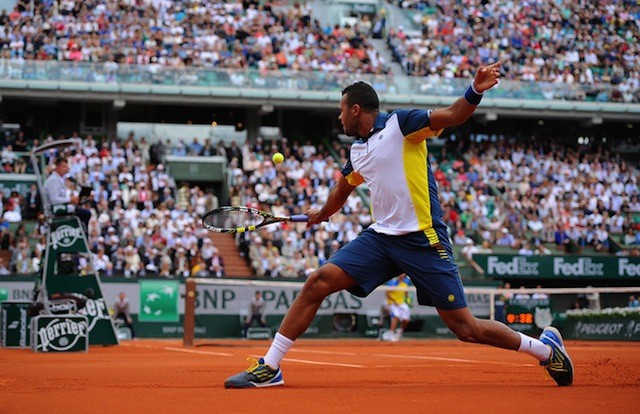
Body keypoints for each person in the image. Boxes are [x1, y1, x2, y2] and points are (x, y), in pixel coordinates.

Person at [224, 63, 573, 389]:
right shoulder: (358, 152)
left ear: (356, 109)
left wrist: (474, 90)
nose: (339, 116)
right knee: (318, 282)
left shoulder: (403, 125)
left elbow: (453, 115)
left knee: (465, 328)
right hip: (382, 238)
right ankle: (270, 366)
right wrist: (321, 213)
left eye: (342, 109)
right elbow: (343, 189)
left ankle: (544, 350)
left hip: (423, 238)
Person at [42, 157, 91, 230]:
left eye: (67, 167)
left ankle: (81, 232)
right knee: (86, 213)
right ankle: (82, 233)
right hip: (54, 210)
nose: (66, 169)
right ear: (57, 167)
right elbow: (54, 200)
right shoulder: (53, 180)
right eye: (64, 167)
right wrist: (70, 200)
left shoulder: (59, 179)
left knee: (83, 211)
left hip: (61, 207)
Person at [381, 274, 412, 342]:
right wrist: (394, 301)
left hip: (401, 303)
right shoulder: (392, 282)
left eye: (404, 274)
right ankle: (391, 333)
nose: (403, 275)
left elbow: (406, 293)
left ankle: (399, 332)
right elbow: (387, 293)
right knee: (396, 316)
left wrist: (408, 301)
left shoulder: (406, 282)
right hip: (392, 303)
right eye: (401, 274)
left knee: (406, 320)